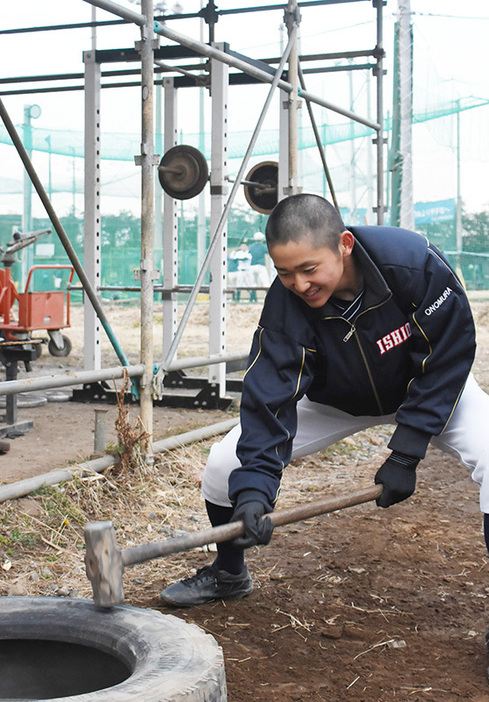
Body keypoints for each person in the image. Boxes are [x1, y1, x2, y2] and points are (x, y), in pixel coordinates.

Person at [160, 193, 489, 609]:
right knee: (225, 467)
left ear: (344, 245)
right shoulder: (287, 304)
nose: (299, 285)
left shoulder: (413, 263)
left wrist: (407, 452)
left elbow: (449, 352)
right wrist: (255, 491)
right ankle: (229, 574)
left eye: (309, 269)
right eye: (284, 273)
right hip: (334, 401)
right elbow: (269, 395)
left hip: (425, 388)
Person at [247, 231, 271, 303]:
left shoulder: (250, 246)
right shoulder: (262, 246)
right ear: (261, 239)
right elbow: (268, 251)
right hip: (260, 266)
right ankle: (269, 299)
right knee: (266, 282)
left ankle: (252, 299)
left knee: (253, 284)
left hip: (251, 266)